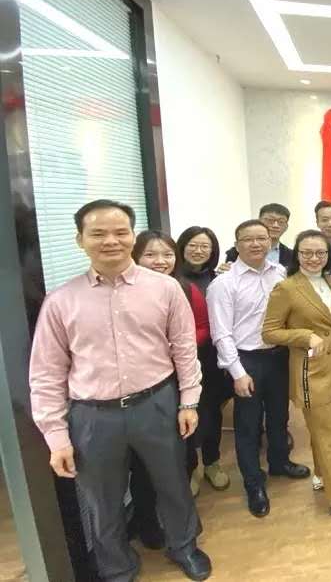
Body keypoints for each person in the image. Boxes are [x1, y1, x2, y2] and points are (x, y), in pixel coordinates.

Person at [29, 199, 211, 581]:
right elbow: (46, 373)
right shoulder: (61, 302)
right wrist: (56, 436)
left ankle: (184, 546)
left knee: (173, 483)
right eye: (98, 233)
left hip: (157, 403)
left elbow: (184, 349)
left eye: (120, 232)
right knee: (102, 499)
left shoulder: (165, 288)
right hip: (92, 416)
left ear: (132, 236)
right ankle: (116, 567)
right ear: (80, 240)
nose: (110, 241)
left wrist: (189, 401)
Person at [262, 230, 331, 521]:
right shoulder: (286, 288)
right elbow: (269, 332)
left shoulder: (328, 280)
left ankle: (323, 476)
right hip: (310, 370)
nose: (314, 258)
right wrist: (305, 336)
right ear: (297, 255)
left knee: (324, 431)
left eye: (320, 253)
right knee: (329, 438)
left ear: (328, 256)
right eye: (307, 253)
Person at [207, 219, 310, 518]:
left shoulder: (280, 273)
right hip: (246, 360)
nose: (256, 244)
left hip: (278, 357)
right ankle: (254, 483)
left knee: (279, 416)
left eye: (261, 238)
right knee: (248, 426)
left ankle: (279, 462)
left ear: (270, 241)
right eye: (248, 239)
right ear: (236, 244)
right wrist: (238, 373)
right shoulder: (223, 283)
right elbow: (221, 334)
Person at [128, 230, 210, 541]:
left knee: (182, 453)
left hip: (180, 381)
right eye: (150, 254)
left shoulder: (185, 289)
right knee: (141, 463)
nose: (160, 261)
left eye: (167, 254)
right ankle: (147, 520)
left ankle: (179, 522)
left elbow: (201, 328)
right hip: (142, 389)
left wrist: (177, 346)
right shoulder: (124, 295)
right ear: (135, 256)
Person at [175, 226, 233, 493]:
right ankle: (190, 468)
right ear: (182, 247)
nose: (198, 251)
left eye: (205, 247)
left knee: (211, 412)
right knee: (184, 414)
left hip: (211, 358)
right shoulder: (172, 279)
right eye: (193, 245)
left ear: (212, 251)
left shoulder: (219, 278)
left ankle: (212, 463)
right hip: (179, 360)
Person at [223, 203, 293, 269]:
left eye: (281, 222)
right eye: (270, 220)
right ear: (259, 221)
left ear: (286, 227)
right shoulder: (236, 252)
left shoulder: (292, 255)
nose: (275, 225)